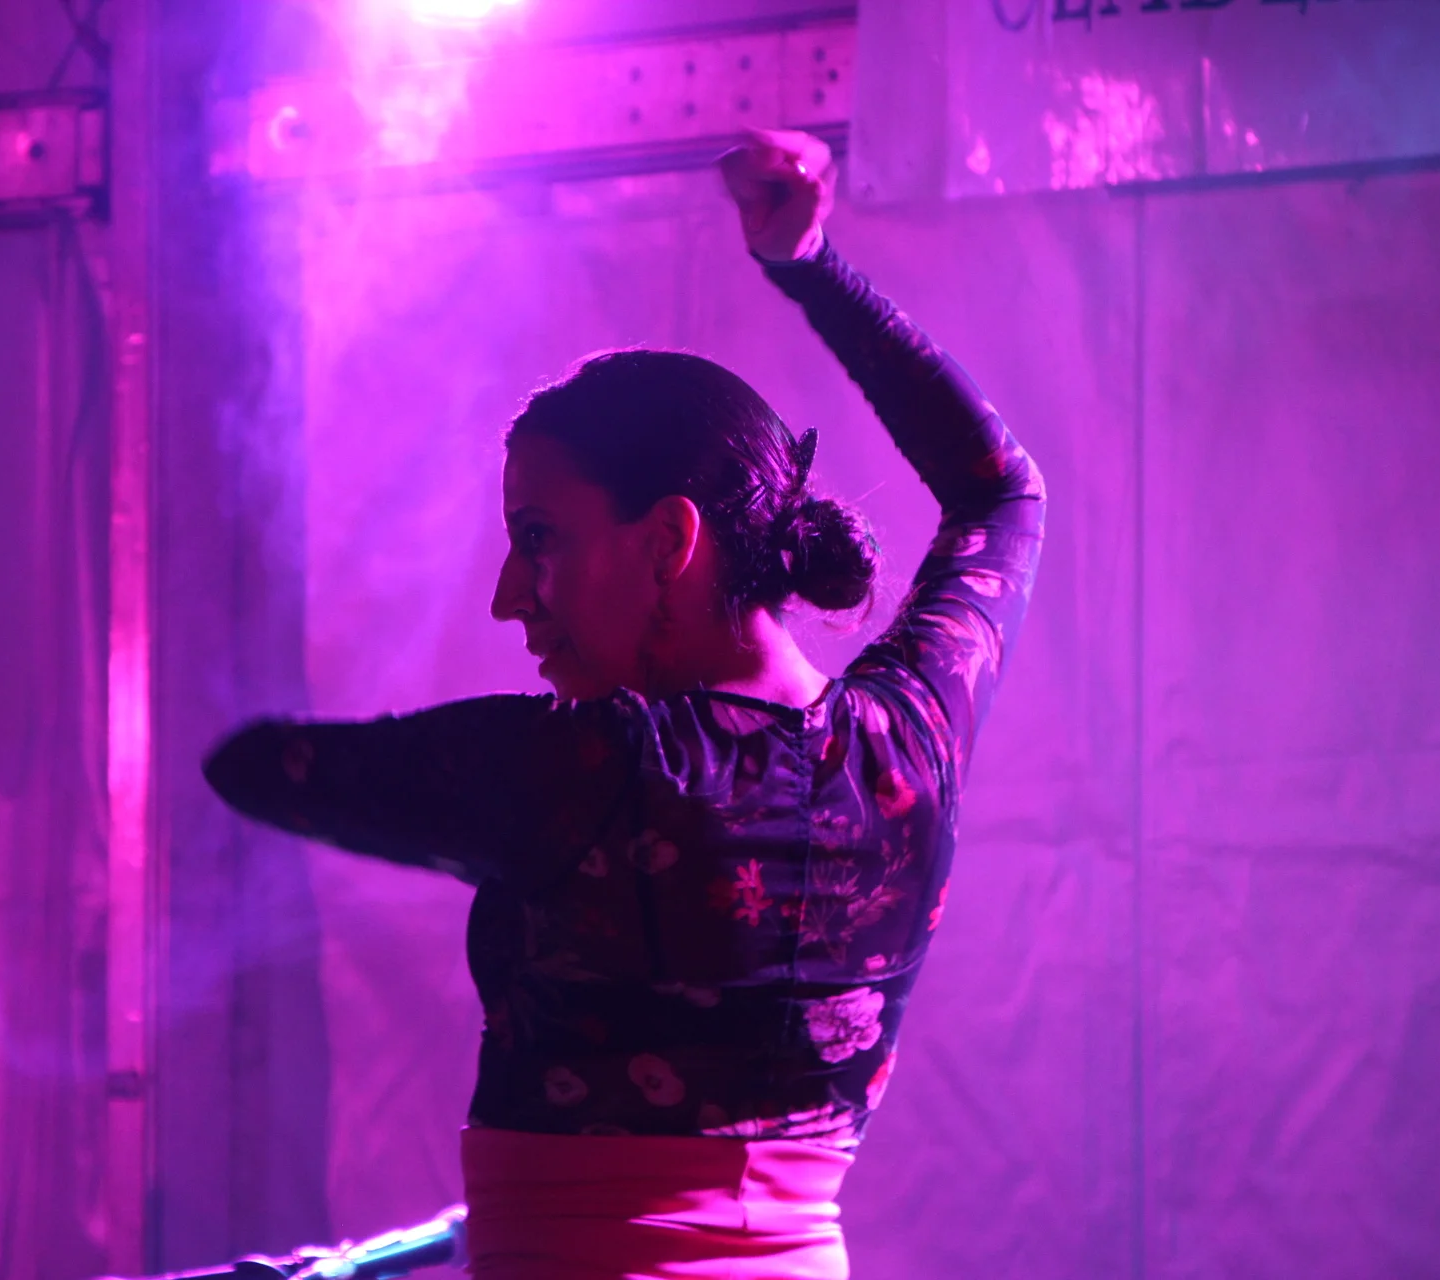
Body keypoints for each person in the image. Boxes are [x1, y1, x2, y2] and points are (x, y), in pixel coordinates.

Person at [204, 129, 1046, 1279]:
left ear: (666, 542)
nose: (509, 596)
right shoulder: (908, 742)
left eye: (538, 539)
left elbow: (256, 768)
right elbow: (1000, 494)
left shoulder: (599, 767)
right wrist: (812, 266)